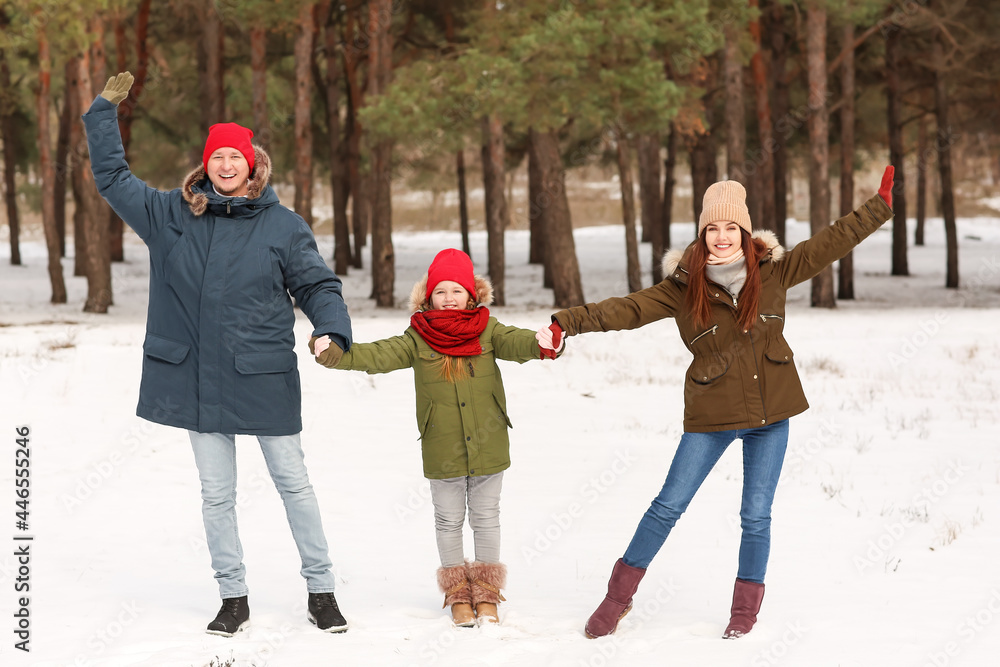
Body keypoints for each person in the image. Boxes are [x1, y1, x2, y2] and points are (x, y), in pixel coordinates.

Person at [536, 167, 895, 639]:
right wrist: (566, 322)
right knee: (667, 505)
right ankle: (616, 599)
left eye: (731, 227)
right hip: (712, 415)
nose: (721, 237)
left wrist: (878, 208)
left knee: (756, 515)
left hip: (770, 416)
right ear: (702, 233)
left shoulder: (775, 271)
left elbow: (831, 242)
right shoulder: (682, 288)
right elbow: (626, 309)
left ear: (744, 232)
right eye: (712, 228)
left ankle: (744, 611)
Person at [83, 72, 353, 636]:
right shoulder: (169, 215)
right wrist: (104, 114)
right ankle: (233, 597)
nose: (227, 164)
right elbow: (112, 177)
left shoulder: (283, 226)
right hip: (198, 378)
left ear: (253, 165)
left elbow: (317, 285)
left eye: (236, 156)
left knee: (294, 484)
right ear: (205, 165)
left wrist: (330, 328)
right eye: (217, 156)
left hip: (263, 373)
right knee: (217, 494)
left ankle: (321, 590)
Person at [311, 248, 562, 627]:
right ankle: (458, 594)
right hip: (441, 445)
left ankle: (487, 593)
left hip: (489, 443)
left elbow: (520, 342)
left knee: (486, 518)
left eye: (456, 290)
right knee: (448, 520)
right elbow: (377, 355)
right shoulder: (418, 337)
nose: (448, 298)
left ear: (472, 295)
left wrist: (545, 342)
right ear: (428, 297)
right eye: (440, 291)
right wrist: (334, 353)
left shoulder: (489, 330)